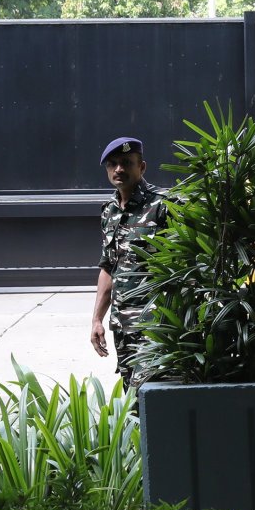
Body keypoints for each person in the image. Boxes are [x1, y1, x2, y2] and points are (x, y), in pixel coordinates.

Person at [91, 136, 169, 385]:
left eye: (126, 162)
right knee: (130, 399)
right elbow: (108, 267)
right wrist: (97, 319)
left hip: (155, 326)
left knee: (145, 394)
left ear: (142, 167)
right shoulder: (109, 211)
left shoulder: (164, 207)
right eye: (112, 164)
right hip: (122, 326)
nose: (119, 169)